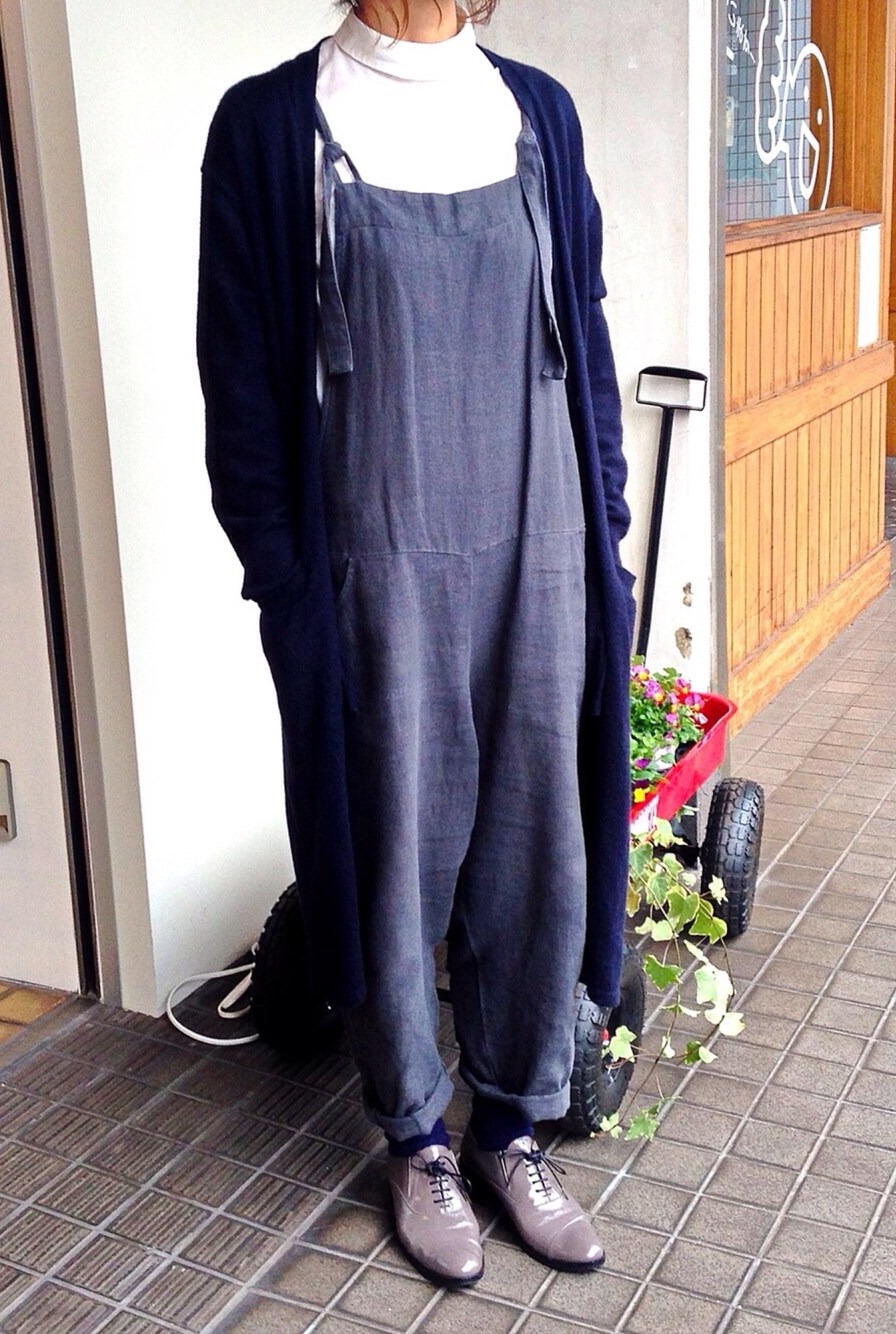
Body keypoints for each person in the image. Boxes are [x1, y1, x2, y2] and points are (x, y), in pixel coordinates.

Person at [197, 0, 637, 1289]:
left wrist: (604, 536)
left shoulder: (537, 113)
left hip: (540, 551)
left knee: (540, 845)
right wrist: (288, 587)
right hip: (377, 565)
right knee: (391, 845)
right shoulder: (270, 127)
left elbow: (587, 342)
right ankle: (416, 1140)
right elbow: (240, 388)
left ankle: (512, 1127)